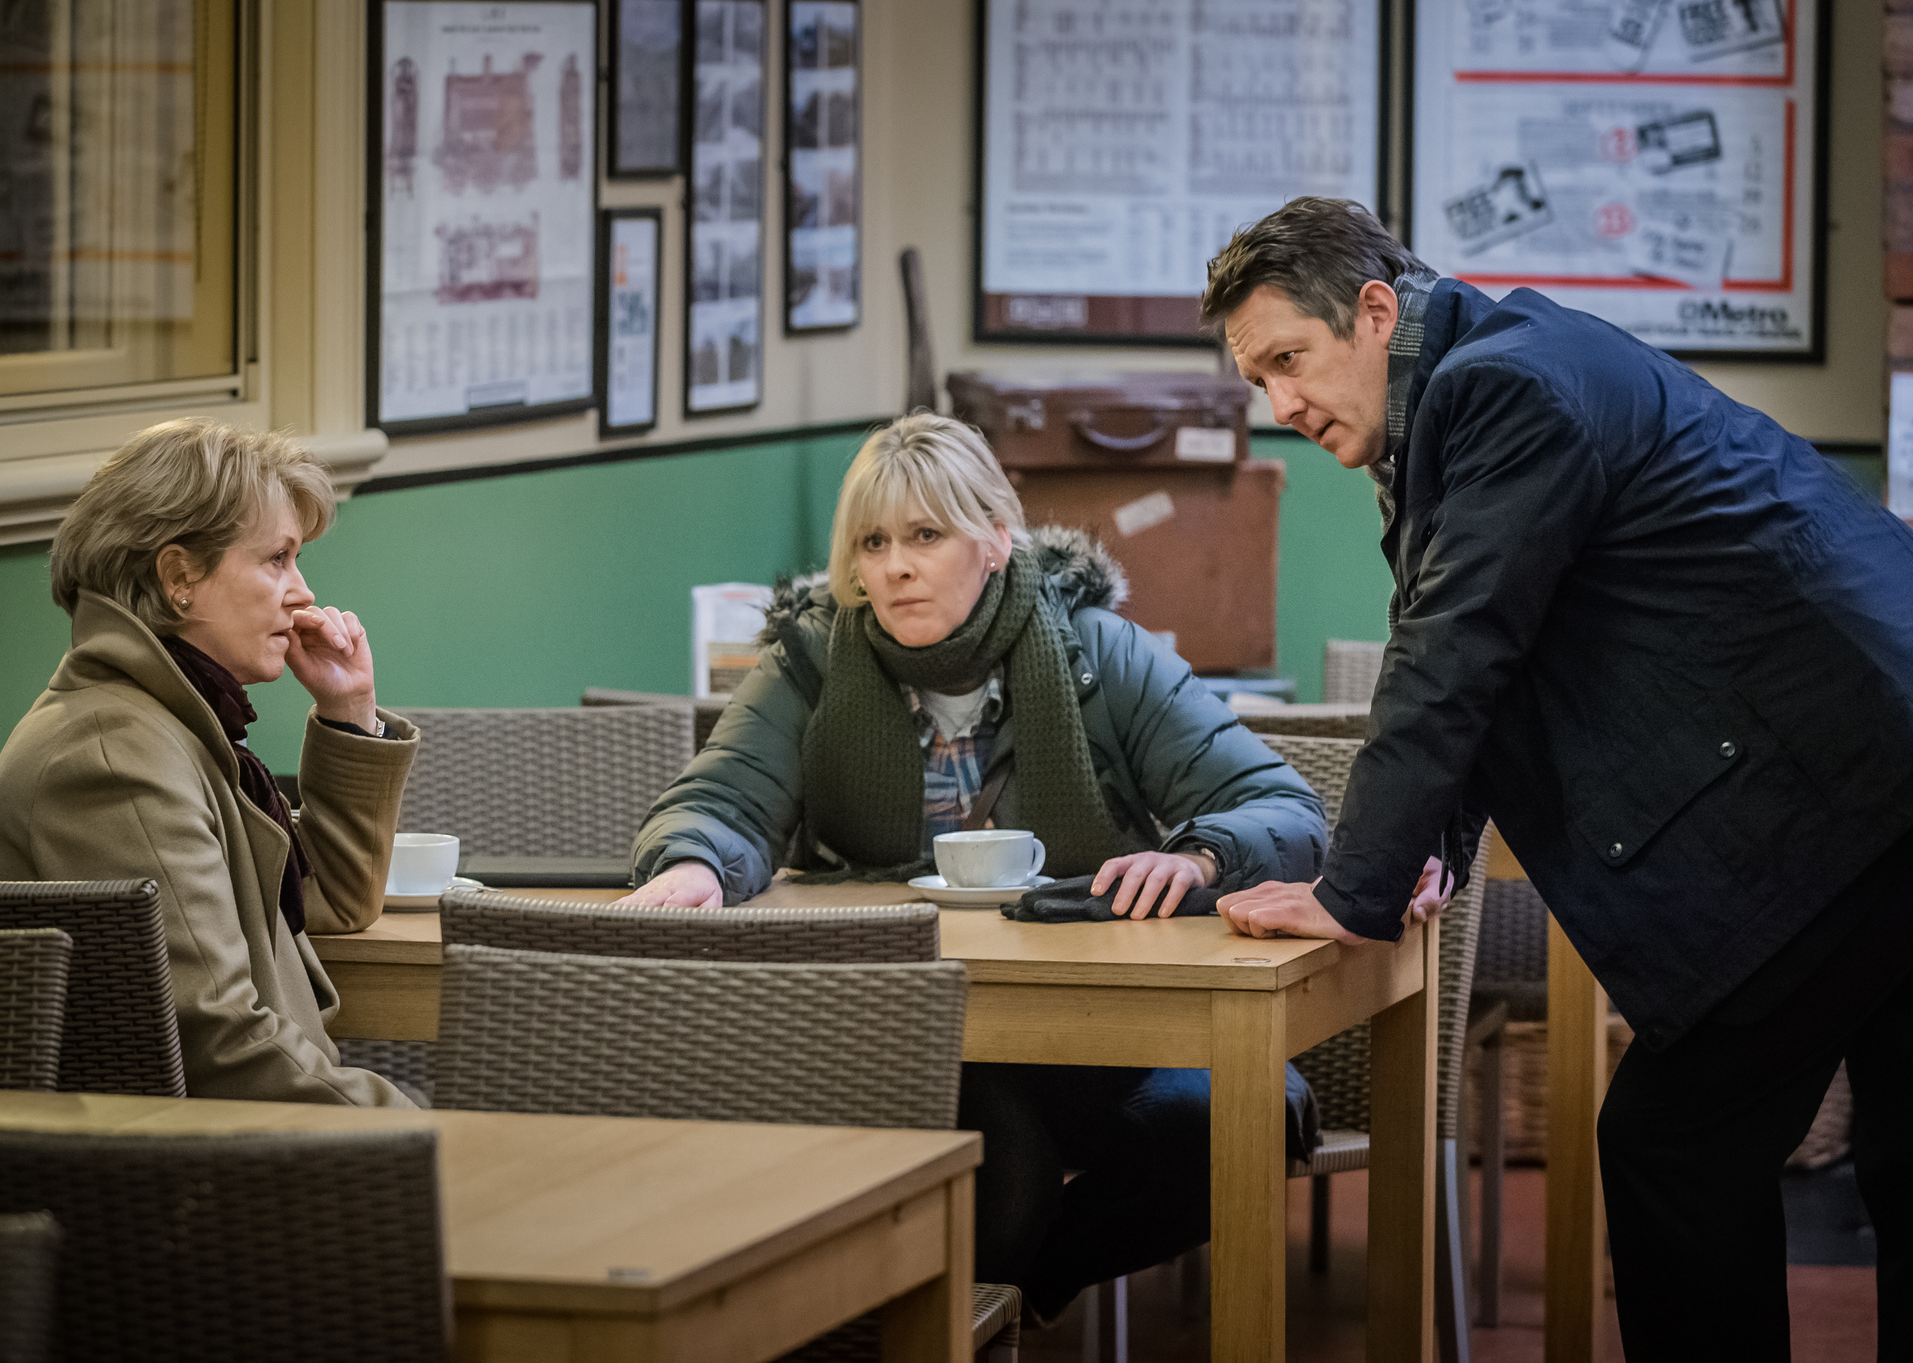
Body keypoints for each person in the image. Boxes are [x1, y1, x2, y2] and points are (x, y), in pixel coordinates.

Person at [1206, 197, 1913, 1361]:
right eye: (1256, 380)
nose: (1278, 405)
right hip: (1874, 766)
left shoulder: (1502, 390)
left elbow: (1452, 648)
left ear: (1374, 312)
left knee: (1670, 1147)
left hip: (1857, 786)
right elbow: (1499, 654)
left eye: (1288, 359)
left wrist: (1353, 891)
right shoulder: (1490, 378)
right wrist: (1430, 848)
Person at [621, 412, 1331, 1320]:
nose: (895, 566)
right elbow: (716, 803)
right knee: (1002, 1155)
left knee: (1244, 1120)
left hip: (1095, 1029)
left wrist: (1199, 854)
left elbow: (1286, 811)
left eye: (926, 535)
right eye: (872, 542)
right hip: (893, 1026)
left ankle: (1012, 1295)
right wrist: (699, 864)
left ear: (997, 538)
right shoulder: (810, 658)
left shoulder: (1095, 649)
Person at [0, 418, 422, 1108]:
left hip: (244, 1138)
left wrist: (348, 708)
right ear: (180, 575)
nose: (301, 591)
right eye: (277, 559)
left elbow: (331, 899)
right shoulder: (117, 760)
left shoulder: (170, 722)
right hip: (180, 1176)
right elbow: (221, 1042)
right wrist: (426, 1123)